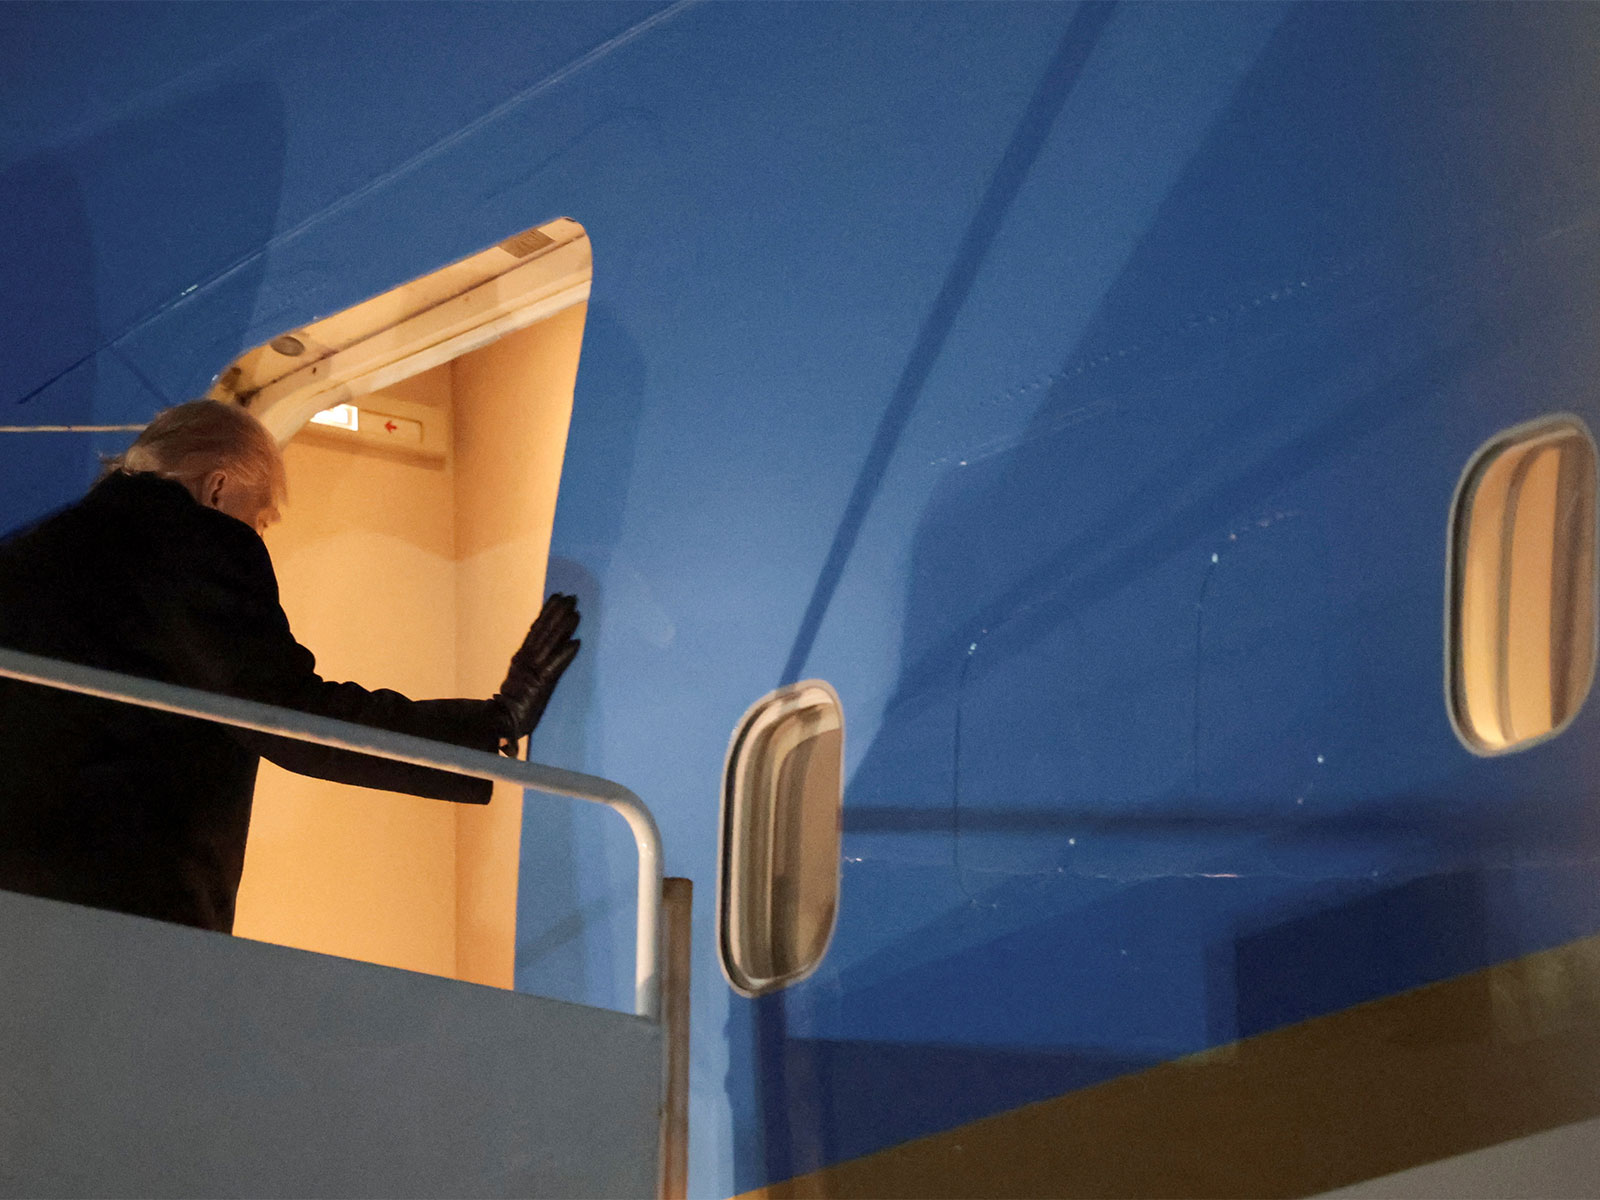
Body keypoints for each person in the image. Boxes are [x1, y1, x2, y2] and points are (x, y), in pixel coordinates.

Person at [0, 399, 579, 934]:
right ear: (219, 487)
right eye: (261, 518)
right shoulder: (187, 538)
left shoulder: (29, 552)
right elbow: (292, 717)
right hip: (114, 914)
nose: (256, 534)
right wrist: (490, 724)